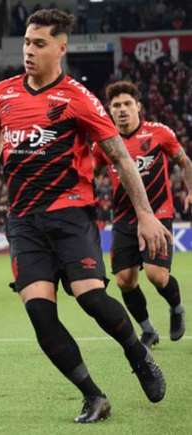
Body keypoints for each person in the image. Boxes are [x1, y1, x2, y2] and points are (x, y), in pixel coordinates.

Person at [0, 9, 171, 423]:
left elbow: (120, 158)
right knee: (40, 314)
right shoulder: (2, 94)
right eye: (26, 42)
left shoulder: (78, 98)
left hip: (70, 214)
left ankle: (137, 352)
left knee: (92, 298)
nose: (29, 51)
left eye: (39, 44)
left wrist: (146, 214)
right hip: (23, 220)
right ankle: (93, 395)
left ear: (62, 47)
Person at [93, 80, 192, 347]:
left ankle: (176, 308)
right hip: (124, 218)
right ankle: (148, 329)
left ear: (138, 106)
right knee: (125, 280)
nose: (122, 109)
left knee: (156, 275)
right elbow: (90, 173)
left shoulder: (159, 133)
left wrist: (190, 189)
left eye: (127, 104)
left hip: (158, 213)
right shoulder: (105, 143)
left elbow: (185, 161)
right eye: (116, 106)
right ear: (110, 111)